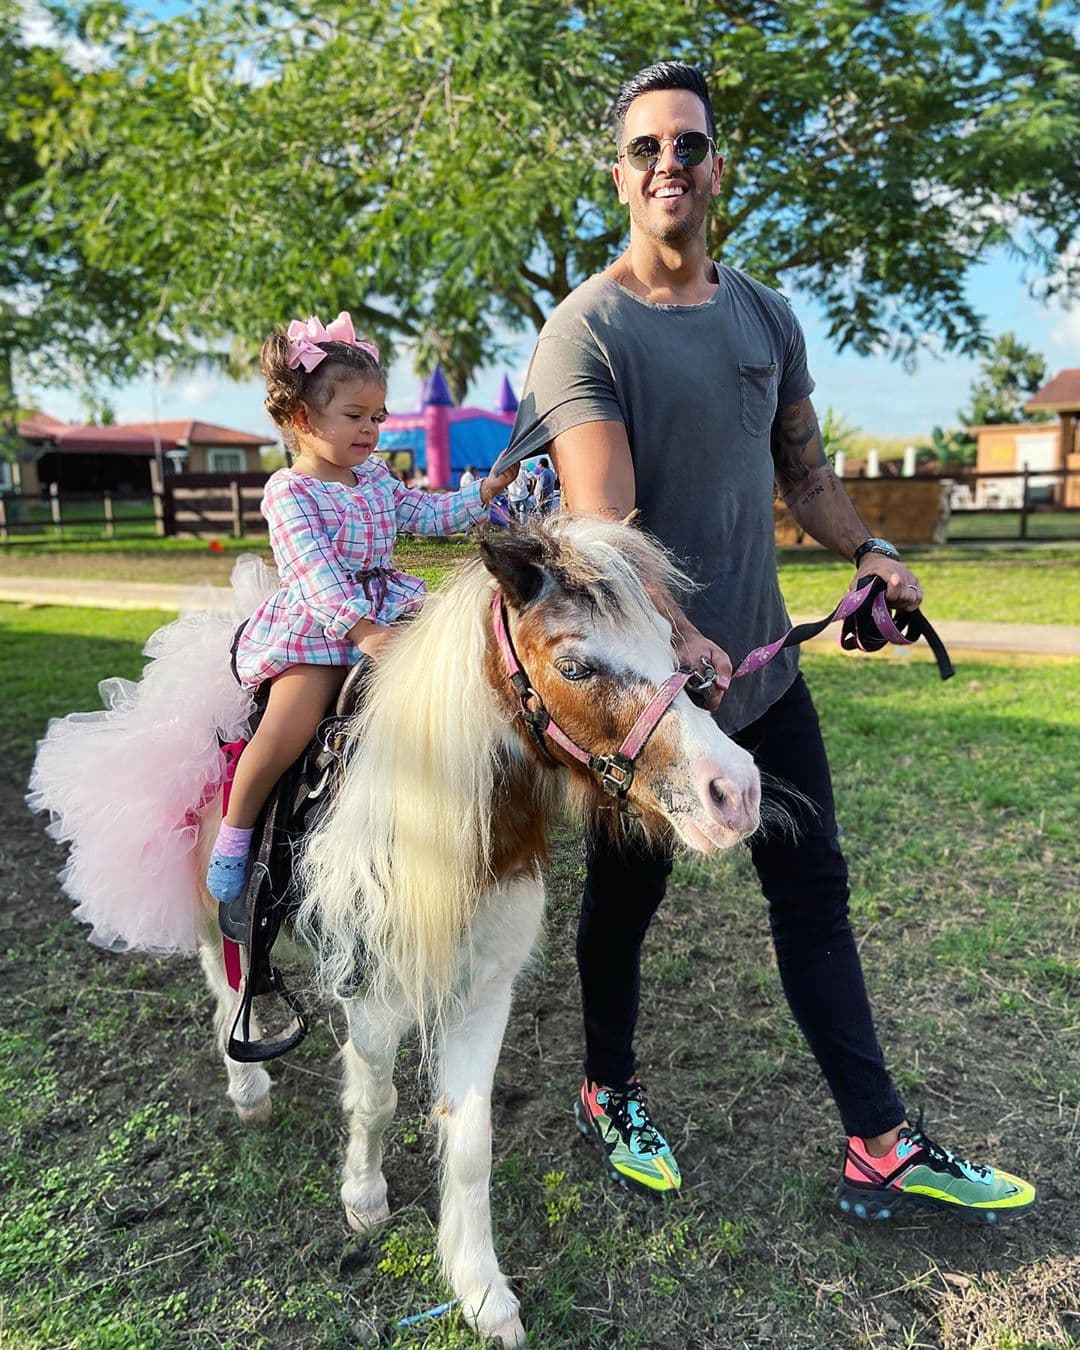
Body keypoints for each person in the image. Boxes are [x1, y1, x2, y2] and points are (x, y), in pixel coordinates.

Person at [498, 62, 1035, 1222]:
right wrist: (681, 637)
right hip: (649, 707)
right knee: (625, 908)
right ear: (619, 175)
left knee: (815, 893)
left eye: (688, 145)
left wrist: (869, 555)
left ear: (717, 168)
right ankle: (607, 1088)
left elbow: (805, 473)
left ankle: (879, 1141)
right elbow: (605, 527)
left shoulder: (765, 317)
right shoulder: (581, 332)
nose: (668, 166)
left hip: (765, 678)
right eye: (646, 149)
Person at [204, 310, 517, 918]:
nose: (371, 430)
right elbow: (312, 573)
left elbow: (424, 517)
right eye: (354, 417)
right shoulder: (290, 492)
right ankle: (237, 830)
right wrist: (363, 630)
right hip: (321, 625)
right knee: (291, 721)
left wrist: (481, 495)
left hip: (382, 606)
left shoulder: (374, 477)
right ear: (301, 419)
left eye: (377, 416)